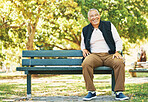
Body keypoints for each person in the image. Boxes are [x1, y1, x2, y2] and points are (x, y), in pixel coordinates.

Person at [81, 8, 129, 101]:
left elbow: (118, 40)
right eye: (91, 16)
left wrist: (117, 51)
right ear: (88, 19)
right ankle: (91, 92)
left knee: (119, 62)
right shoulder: (85, 29)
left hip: (109, 55)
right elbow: (83, 43)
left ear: (99, 16)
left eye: (96, 15)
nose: (94, 17)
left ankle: (119, 92)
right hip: (94, 55)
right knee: (86, 63)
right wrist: (83, 49)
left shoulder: (109, 25)